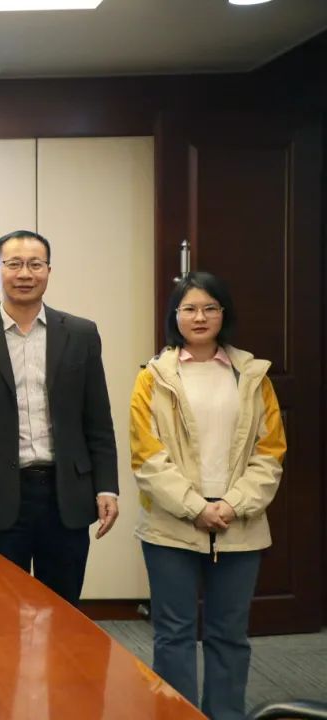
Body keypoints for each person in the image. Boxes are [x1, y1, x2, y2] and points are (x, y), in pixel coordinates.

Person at [130, 272, 284, 720]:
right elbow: (147, 457)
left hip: (239, 521)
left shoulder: (253, 375)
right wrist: (196, 508)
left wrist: (233, 504)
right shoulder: (153, 377)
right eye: (190, 309)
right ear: (174, 316)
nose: (199, 317)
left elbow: (270, 452)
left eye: (210, 308)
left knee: (229, 635)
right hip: (172, 524)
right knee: (173, 634)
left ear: (223, 314)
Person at [0, 229, 119, 605]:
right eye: (14, 264)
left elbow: (98, 421)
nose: (25, 273)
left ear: (49, 271)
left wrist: (107, 487)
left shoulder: (81, 334)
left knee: (63, 608)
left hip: (65, 494)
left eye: (35, 264)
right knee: (1, 610)